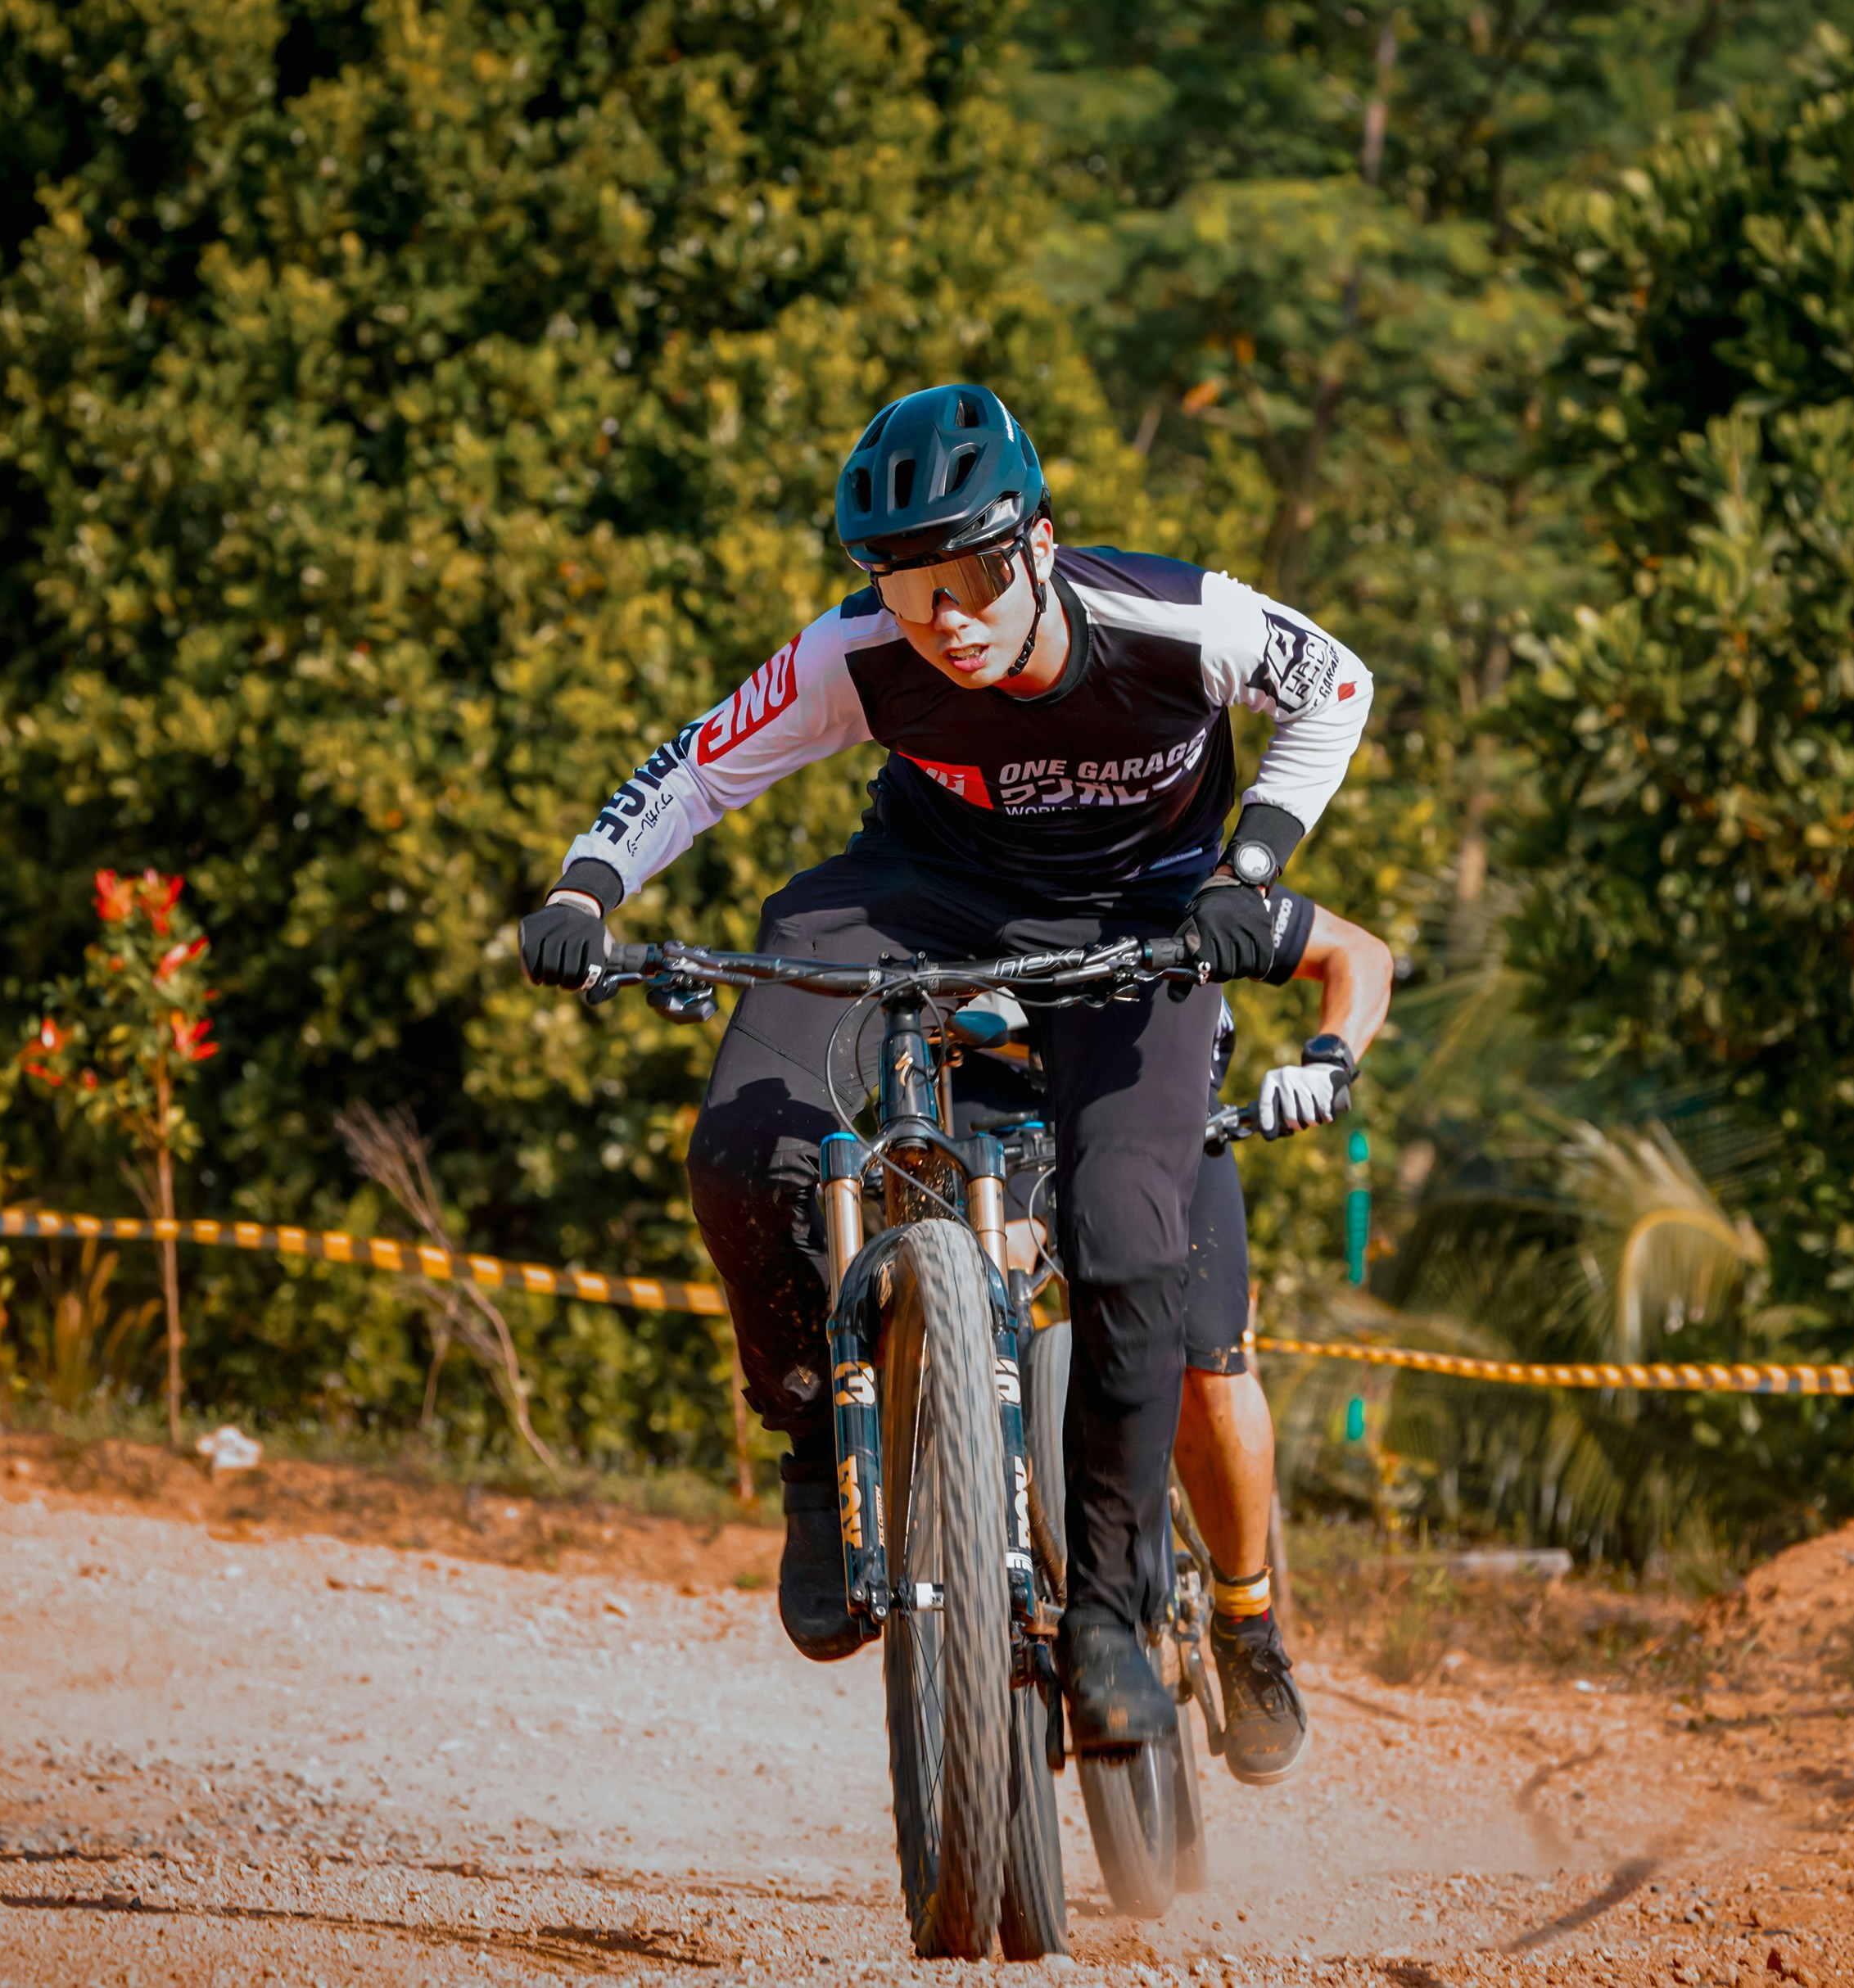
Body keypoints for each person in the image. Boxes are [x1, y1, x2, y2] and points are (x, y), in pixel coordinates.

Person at [516, 382, 1374, 1752]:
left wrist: (1251, 861)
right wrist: (584, 887)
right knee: (745, 1145)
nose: (947, 620)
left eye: (972, 575)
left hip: (1135, 928)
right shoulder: (852, 658)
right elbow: (694, 766)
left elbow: (1335, 682)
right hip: (917, 895)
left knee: (1128, 1247)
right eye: (908, 592)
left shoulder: (1172, 619)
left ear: (1037, 540)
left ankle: (1106, 1608)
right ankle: (810, 1443)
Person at [958, 893, 1390, 1788]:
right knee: (955, 1291)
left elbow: (1359, 955)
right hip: (993, 1114)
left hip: (1157, 1112)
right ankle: (961, 1565)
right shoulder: (956, 835)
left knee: (1204, 1367)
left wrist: (1329, 1058)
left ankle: (1245, 1619)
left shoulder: (1178, 863)